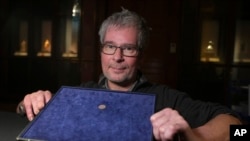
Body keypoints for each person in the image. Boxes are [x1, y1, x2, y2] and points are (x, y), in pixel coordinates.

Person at [16, 9, 242, 141]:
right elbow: (22, 110)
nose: (117, 57)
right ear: (101, 51)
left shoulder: (165, 100)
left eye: (129, 48)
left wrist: (193, 136)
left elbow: (240, 131)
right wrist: (28, 103)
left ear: (141, 55)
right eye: (110, 46)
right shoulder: (83, 93)